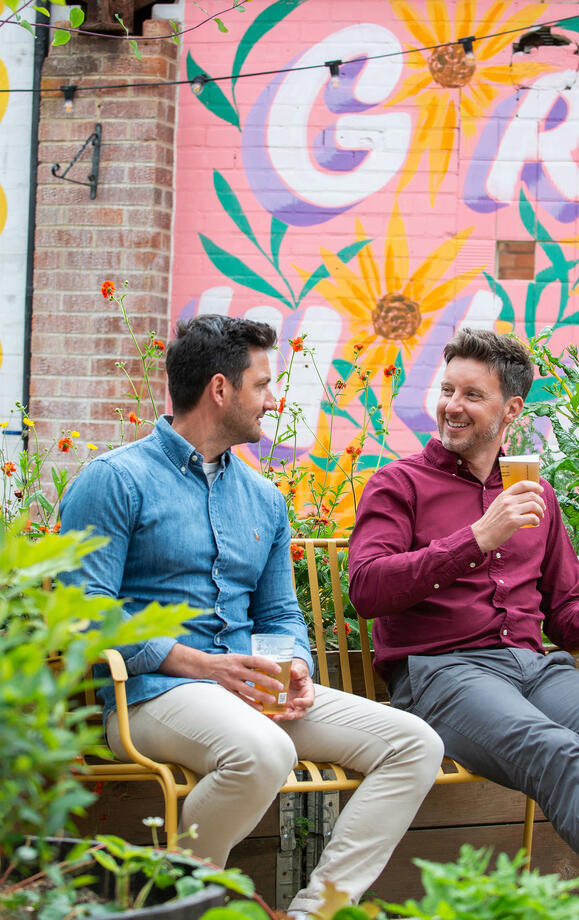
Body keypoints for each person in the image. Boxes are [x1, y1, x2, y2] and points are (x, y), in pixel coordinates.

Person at [60, 314, 443, 915]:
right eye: (262, 385)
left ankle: (316, 912)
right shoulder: (115, 481)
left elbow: (280, 611)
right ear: (220, 389)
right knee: (264, 751)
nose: (272, 399)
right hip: (151, 693)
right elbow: (83, 613)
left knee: (413, 743)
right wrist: (202, 665)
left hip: (247, 692)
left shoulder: (264, 498)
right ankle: (174, 902)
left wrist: (293, 664)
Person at [349, 326, 579, 890]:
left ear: (511, 409)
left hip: (534, 668)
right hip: (442, 672)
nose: (452, 406)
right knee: (559, 752)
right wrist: (476, 538)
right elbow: (368, 588)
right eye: (448, 390)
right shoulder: (398, 484)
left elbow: (565, 611)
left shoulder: (533, 493)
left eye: (472, 395)